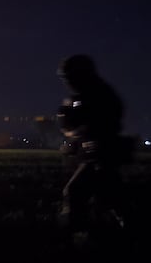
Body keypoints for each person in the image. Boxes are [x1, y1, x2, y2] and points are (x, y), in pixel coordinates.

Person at [56, 54, 132, 234]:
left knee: (75, 193)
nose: (67, 82)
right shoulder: (87, 95)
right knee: (110, 197)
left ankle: (79, 236)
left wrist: (74, 130)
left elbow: (99, 126)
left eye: (69, 77)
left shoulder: (97, 96)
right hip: (96, 156)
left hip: (101, 157)